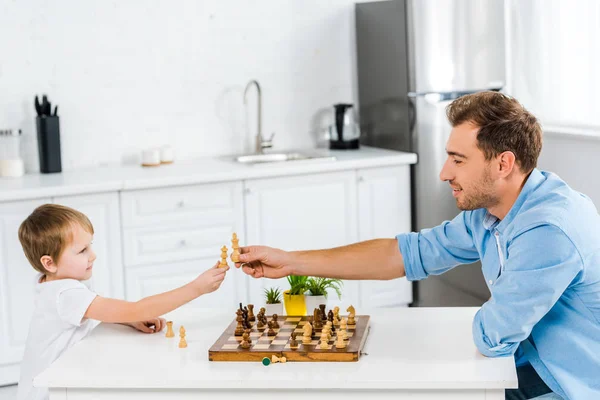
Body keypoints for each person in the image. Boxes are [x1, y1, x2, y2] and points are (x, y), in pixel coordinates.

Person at [235, 92, 600, 400]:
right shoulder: (491, 211)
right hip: (525, 362)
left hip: (567, 383)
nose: (444, 173)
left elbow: (494, 337)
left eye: (458, 160)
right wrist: (290, 261)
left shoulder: (549, 228)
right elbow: (406, 254)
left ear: (504, 163)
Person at [17, 204, 229, 400]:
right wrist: (196, 288)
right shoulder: (65, 293)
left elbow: (94, 310)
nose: (93, 256)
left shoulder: (50, 282)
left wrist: (129, 320)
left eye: (90, 246)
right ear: (49, 263)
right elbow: (137, 309)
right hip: (49, 393)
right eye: (82, 251)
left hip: (54, 383)